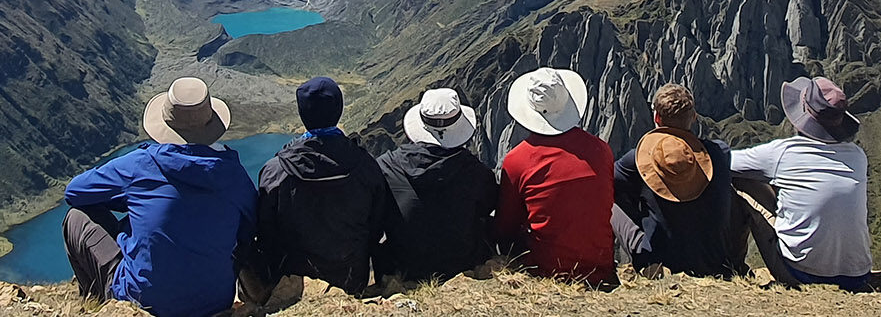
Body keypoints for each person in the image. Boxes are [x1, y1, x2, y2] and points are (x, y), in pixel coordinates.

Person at [62, 77, 257, 317]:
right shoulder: (233, 174)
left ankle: (98, 305)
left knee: (75, 217)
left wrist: (128, 198)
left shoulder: (139, 166)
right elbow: (250, 228)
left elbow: (75, 192)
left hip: (143, 301)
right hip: (215, 301)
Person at [243, 76, 389, 299]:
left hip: (291, 281)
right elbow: (376, 226)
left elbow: (265, 233)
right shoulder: (366, 166)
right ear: (338, 109)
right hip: (351, 277)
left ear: (303, 113)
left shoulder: (276, 171)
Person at [730, 76, 873, 291]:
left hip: (800, 273)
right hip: (858, 276)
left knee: (742, 182)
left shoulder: (783, 153)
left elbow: (724, 162)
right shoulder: (858, 156)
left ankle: (731, 267)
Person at [494, 67, 615, 285]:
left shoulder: (517, 161)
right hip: (601, 268)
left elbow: (506, 226)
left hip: (547, 271)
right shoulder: (601, 150)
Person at [612, 84, 736, 277]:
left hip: (658, 261)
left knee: (609, 200)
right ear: (694, 118)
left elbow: (608, 180)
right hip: (713, 262)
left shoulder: (636, 160)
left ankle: (604, 265)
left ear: (656, 118)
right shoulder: (720, 153)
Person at [374, 88, 497, 281]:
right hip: (462, 263)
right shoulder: (478, 174)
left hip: (404, 265)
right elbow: (489, 206)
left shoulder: (386, 168)